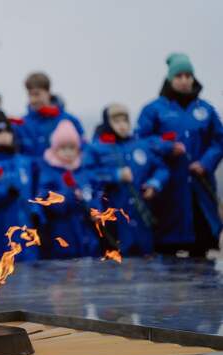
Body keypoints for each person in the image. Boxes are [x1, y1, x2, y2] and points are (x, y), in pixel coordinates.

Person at [136, 53, 223, 257]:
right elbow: (141, 141)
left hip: (199, 187)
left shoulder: (206, 110)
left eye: (188, 76)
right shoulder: (153, 110)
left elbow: (219, 141)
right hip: (168, 188)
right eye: (179, 76)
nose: (184, 80)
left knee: (202, 248)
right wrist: (166, 147)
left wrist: (205, 163)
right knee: (166, 249)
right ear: (170, 79)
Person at [85, 104, 169, 255]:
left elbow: (161, 168)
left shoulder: (142, 146)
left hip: (140, 215)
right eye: (116, 121)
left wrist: (154, 184)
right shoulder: (96, 148)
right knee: (115, 257)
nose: (122, 125)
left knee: (145, 257)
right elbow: (88, 175)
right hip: (113, 215)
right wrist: (115, 175)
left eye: (125, 121)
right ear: (107, 123)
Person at [0, 111, 39, 262]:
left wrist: (37, 211)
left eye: (7, 131)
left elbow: (36, 192)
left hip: (26, 230)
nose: (3, 135)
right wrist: (3, 192)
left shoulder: (25, 162)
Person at [37, 120, 101, 259]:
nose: (68, 152)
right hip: (61, 233)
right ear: (55, 149)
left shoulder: (84, 173)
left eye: (72, 148)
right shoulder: (49, 173)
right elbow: (46, 200)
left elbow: (95, 193)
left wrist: (95, 210)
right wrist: (69, 196)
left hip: (86, 235)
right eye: (63, 148)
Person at [18, 72, 84, 158]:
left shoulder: (69, 120)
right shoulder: (21, 124)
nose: (33, 100)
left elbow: (83, 149)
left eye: (37, 94)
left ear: (48, 92)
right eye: (30, 95)